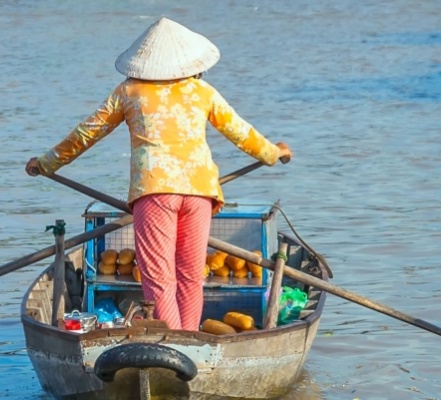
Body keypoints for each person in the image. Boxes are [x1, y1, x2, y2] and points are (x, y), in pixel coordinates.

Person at [25, 17, 292, 331]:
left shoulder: (129, 91)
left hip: (154, 191)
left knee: (159, 276)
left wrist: (46, 163)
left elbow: (86, 134)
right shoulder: (201, 91)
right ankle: (189, 341)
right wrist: (274, 153)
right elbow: (241, 133)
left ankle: (172, 341)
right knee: (192, 274)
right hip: (199, 191)